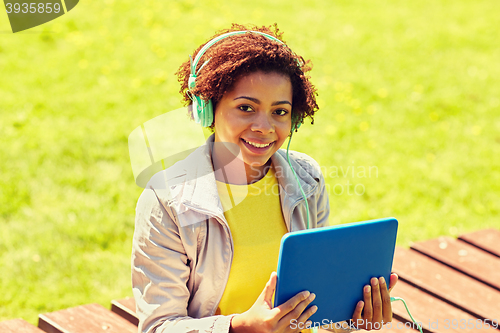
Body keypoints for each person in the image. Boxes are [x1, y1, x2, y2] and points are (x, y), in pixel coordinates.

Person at [131, 23, 397, 333]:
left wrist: (353, 318)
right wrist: (241, 327)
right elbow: (159, 326)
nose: (264, 127)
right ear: (206, 109)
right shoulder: (167, 201)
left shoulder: (305, 178)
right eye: (246, 108)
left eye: (279, 112)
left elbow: (318, 302)